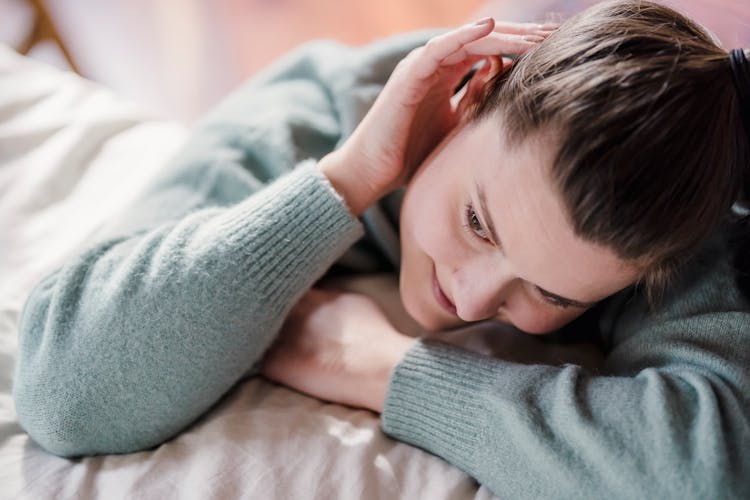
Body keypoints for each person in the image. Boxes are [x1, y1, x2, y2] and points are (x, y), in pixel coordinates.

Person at [12, 0, 750, 497]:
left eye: (552, 295)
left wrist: (376, 365)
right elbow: (67, 392)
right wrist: (349, 178)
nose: (469, 297)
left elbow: (706, 473)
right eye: (478, 223)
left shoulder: (669, 221)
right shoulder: (318, 106)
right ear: (470, 91)